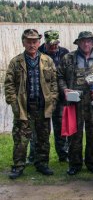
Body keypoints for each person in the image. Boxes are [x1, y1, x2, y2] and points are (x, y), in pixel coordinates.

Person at [4, 29, 58, 179]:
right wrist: (14, 103)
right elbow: (9, 85)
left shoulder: (47, 60)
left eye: (34, 41)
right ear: (23, 42)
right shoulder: (16, 62)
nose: (32, 44)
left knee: (43, 138)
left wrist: (53, 100)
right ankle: (18, 166)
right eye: (28, 41)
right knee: (21, 139)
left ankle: (42, 164)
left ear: (39, 43)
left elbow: (54, 83)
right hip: (24, 107)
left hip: (43, 106)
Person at [58, 31, 93, 176]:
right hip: (74, 104)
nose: (86, 44)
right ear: (78, 43)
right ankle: (74, 164)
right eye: (83, 41)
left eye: (89, 41)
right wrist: (64, 90)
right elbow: (60, 77)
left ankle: (92, 163)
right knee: (74, 136)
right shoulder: (68, 58)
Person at [38, 30, 70, 162]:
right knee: (41, 129)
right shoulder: (38, 52)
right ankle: (36, 156)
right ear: (45, 43)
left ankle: (63, 155)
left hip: (61, 97)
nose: (54, 47)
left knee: (61, 127)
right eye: (51, 44)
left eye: (56, 44)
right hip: (43, 97)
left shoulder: (65, 52)